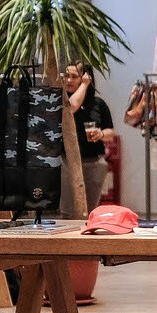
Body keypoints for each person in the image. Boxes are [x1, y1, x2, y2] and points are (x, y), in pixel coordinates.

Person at [61, 62, 115, 213]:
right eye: (67, 76)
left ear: (86, 77)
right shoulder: (62, 102)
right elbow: (71, 107)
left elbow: (111, 132)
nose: (69, 80)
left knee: (90, 210)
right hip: (67, 163)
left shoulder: (98, 104)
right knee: (67, 209)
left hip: (94, 162)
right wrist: (84, 84)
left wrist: (101, 134)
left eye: (74, 76)